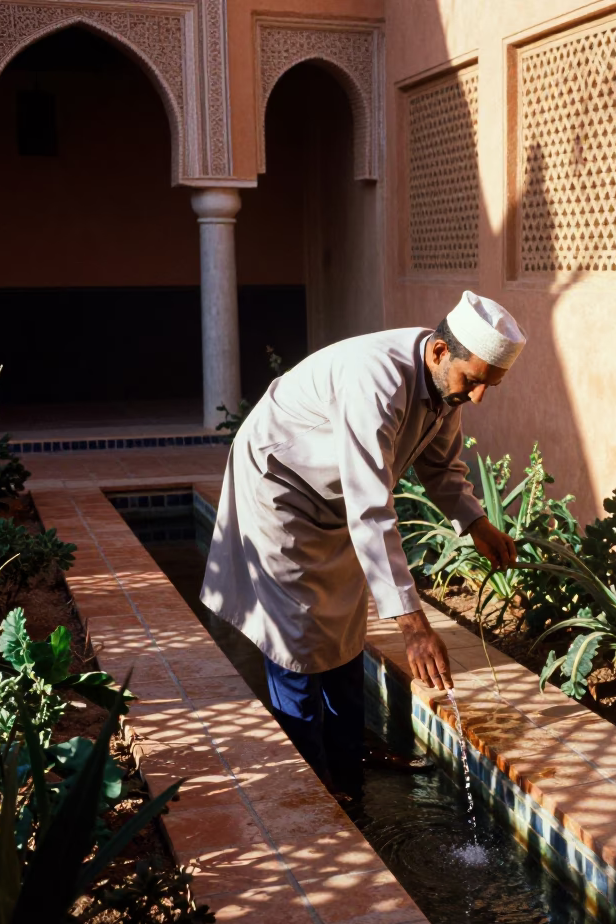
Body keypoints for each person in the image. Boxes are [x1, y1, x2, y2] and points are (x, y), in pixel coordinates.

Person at [200, 291, 525, 799]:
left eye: (491, 385)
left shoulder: (445, 389)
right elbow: (371, 509)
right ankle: (313, 782)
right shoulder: (376, 381)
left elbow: (439, 468)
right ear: (440, 351)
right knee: (297, 644)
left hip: (333, 501)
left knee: (344, 634)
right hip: (279, 491)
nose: (479, 396)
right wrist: (415, 626)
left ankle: (347, 758)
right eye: (475, 379)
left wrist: (478, 524)